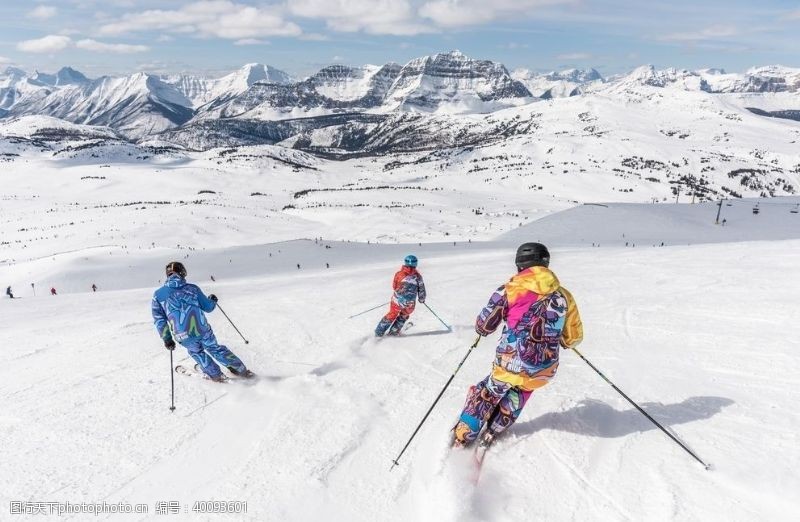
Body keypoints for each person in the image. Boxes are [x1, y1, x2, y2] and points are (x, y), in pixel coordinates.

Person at [452, 243, 583, 448]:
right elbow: (573, 337)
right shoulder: (564, 296)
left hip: (509, 362)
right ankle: (494, 429)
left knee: (489, 391)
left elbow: (484, 324)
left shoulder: (510, 290)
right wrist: (564, 340)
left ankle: (465, 433)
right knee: (520, 391)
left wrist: (481, 331)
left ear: (520, 265)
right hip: (543, 368)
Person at [151, 261, 254, 382]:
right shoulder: (192, 288)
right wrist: (212, 300)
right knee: (214, 348)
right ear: (182, 273)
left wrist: (167, 339)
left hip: (182, 335)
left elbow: (159, 319)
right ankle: (240, 370)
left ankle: (216, 375)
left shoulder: (158, 295)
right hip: (202, 329)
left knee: (197, 352)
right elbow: (208, 307)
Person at [375, 255, 426, 337]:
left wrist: (400, 293)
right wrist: (421, 298)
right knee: (404, 315)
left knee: (392, 314)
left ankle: (379, 331)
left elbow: (394, 286)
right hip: (410, 303)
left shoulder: (399, 274)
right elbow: (421, 289)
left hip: (397, 300)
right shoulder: (418, 277)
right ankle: (394, 332)